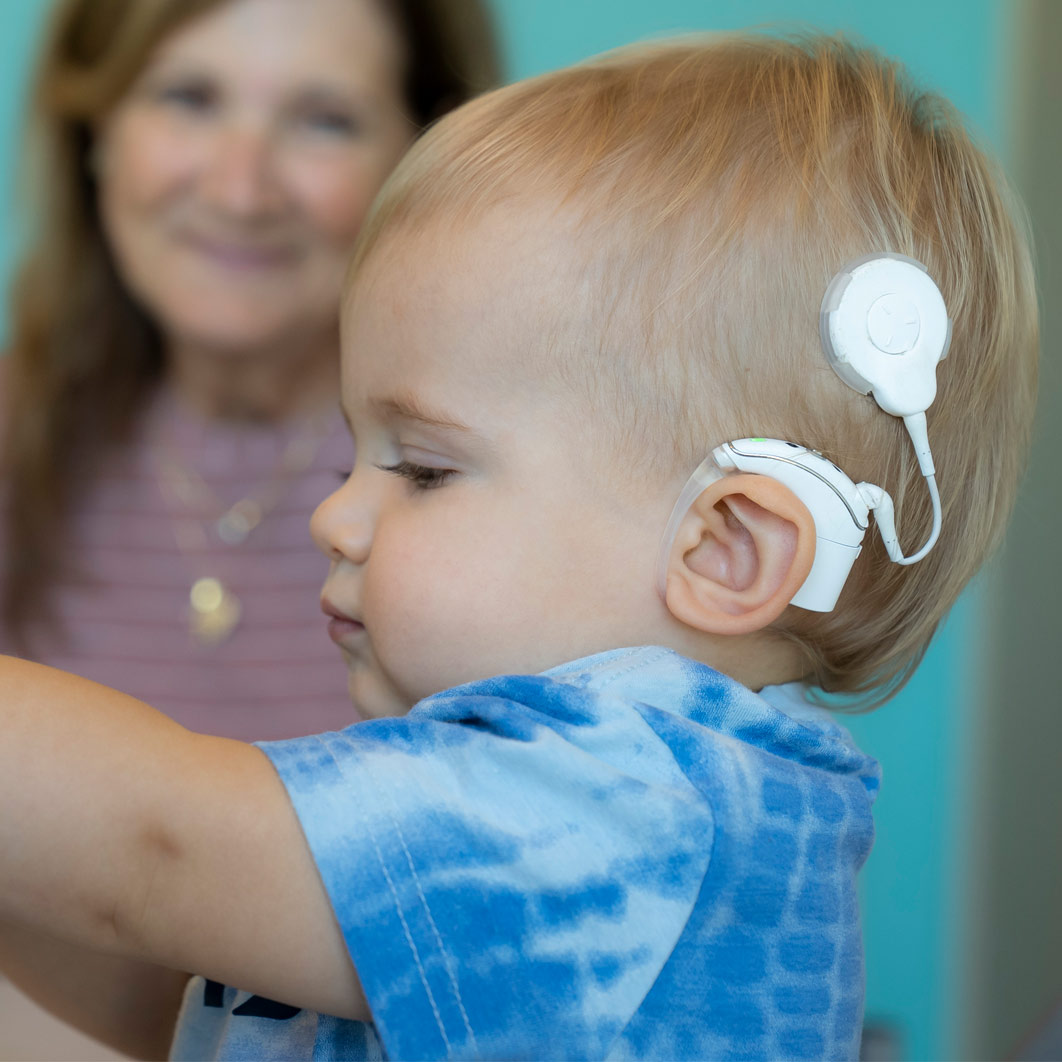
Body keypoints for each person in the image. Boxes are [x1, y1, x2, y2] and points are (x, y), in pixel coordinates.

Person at [0, 30, 1038, 1062]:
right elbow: (169, 995)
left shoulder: (635, 808)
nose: (337, 518)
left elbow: (157, 851)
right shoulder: (525, 786)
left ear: (725, 550)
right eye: (351, 462)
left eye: (423, 471)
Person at [0, 0, 499, 741]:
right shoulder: (18, 435)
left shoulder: (506, 489)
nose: (241, 192)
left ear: (422, 156)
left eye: (324, 119)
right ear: (94, 132)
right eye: (189, 98)